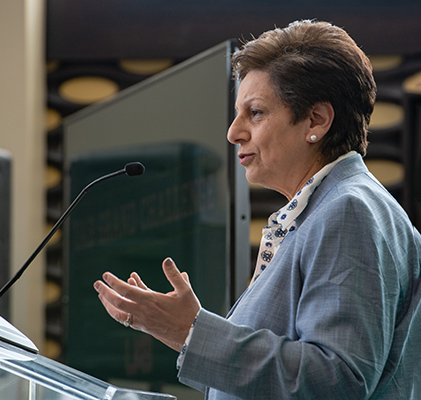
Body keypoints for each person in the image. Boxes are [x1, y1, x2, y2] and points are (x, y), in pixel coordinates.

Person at [93, 20, 421, 399]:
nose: (234, 132)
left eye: (256, 113)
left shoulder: (348, 212)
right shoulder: (328, 208)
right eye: (238, 113)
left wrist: (192, 332)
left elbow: (336, 380)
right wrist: (184, 332)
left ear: (316, 120)